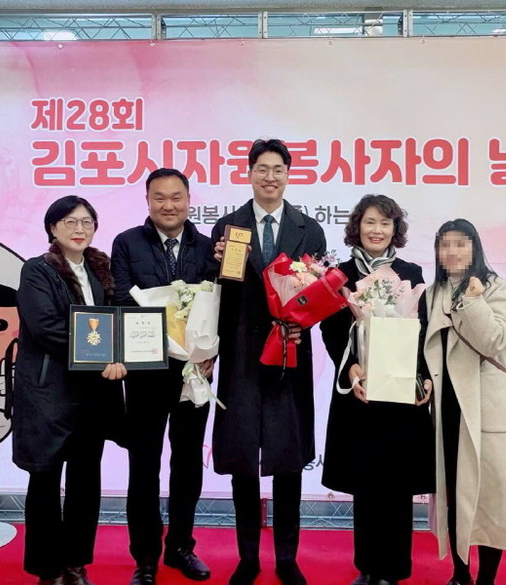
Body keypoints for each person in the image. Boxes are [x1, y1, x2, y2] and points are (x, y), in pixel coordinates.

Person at [211, 139, 326, 585]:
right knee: (243, 460)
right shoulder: (229, 227)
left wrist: (302, 324)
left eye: (278, 169)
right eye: (262, 169)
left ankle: (286, 558)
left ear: (288, 175)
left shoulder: (308, 230)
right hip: (241, 356)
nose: (270, 177)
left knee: (288, 460)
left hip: (288, 355)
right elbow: (219, 295)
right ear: (249, 174)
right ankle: (247, 558)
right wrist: (217, 264)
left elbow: (318, 296)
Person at [421, 219, 506, 585]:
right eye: (445, 244)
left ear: (474, 248)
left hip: (487, 407)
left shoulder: (495, 288)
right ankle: (460, 574)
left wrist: (474, 301)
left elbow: (494, 341)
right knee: (454, 496)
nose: (452, 252)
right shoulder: (432, 293)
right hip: (447, 406)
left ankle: (486, 579)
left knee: (491, 498)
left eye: (461, 243)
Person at [319, 195, 435, 585]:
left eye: (385, 223)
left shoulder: (411, 272)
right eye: (370, 222)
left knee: (398, 485)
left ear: (395, 230)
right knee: (365, 482)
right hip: (362, 390)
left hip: (401, 391)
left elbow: (422, 330)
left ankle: (394, 570)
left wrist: (423, 376)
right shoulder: (340, 274)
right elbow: (331, 329)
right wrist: (351, 368)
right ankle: (368, 568)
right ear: (357, 226)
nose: (377, 230)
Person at [12, 195, 128, 585]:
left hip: (94, 396)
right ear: (52, 228)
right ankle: (48, 569)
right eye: (70, 222)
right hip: (51, 394)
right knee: (45, 480)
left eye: (87, 222)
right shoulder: (37, 270)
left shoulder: (101, 270)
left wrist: (127, 350)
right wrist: (104, 357)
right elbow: (46, 327)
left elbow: (117, 323)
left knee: (85, 482)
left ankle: (76, 563)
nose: (79, 230)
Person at [111, 168, 216, 585]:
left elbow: (220, 304)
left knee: (188, 464)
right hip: (145, 372)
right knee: (143, 466)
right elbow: (121, 297)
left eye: (176, 197)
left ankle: (181, 547)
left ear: (189, 200)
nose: (168, 205)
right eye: (159, 197)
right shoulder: (127, 243)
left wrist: (210, 353)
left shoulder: (208, 247)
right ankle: (145, 558)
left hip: (194, 371)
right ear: (148, 201)